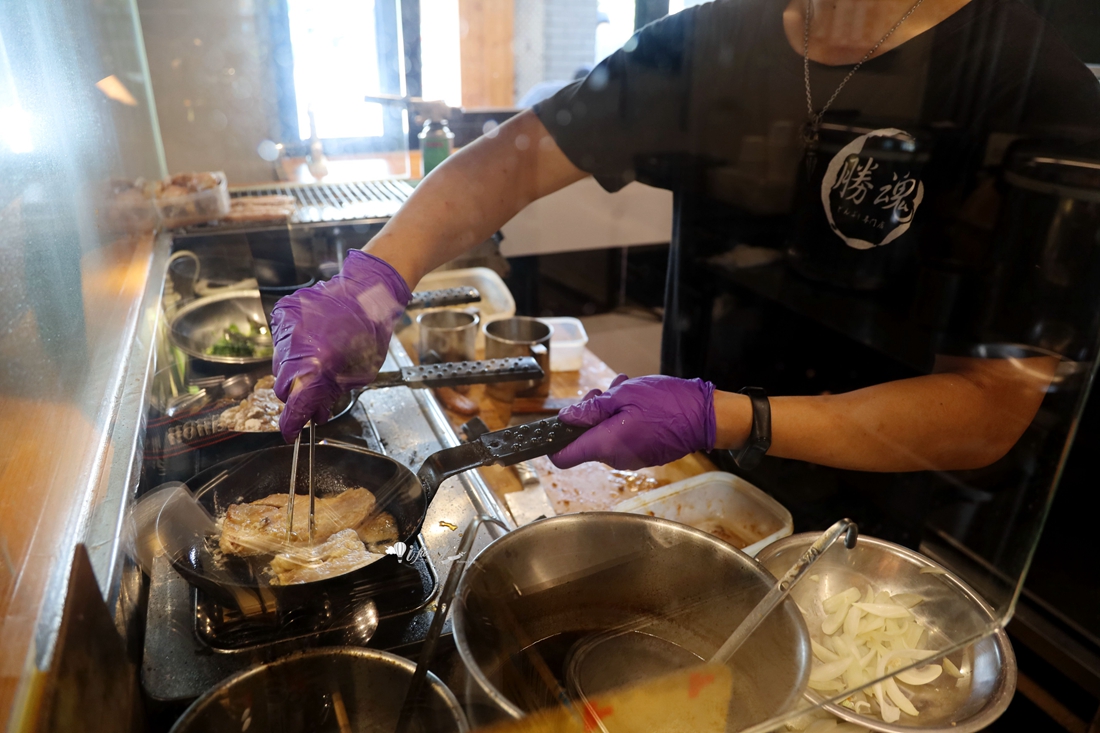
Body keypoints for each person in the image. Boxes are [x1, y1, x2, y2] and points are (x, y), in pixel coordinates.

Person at [271, 0, 1100, 477]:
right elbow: (507, 165)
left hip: (883, 528)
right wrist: (373, 287)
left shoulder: (1034, 86)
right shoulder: (713, 41)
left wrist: (729, 416)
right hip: (700, 473)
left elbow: (993, 408)